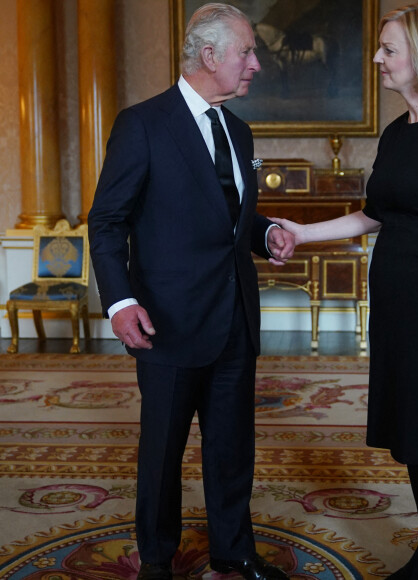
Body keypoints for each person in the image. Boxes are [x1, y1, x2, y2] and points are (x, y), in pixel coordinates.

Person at [270, 3, 418, 578]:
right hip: (395, 303)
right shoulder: (397, 133)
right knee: (410, 427)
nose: (377, 58)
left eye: (388, 49)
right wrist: (302, 232)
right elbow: (372, 216)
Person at [87, 4, 294, 580]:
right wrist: (121, 301)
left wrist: (266, 231)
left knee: (232, 451)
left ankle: (234, 551)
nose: (255, 64)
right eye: (246, 53)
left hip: (234, 319)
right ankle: (157, 560)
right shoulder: (143, 123)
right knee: (162, 453)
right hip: (167, 321)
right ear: (210, 56)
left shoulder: (239, 128)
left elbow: (227, 214)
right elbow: (107, 222)